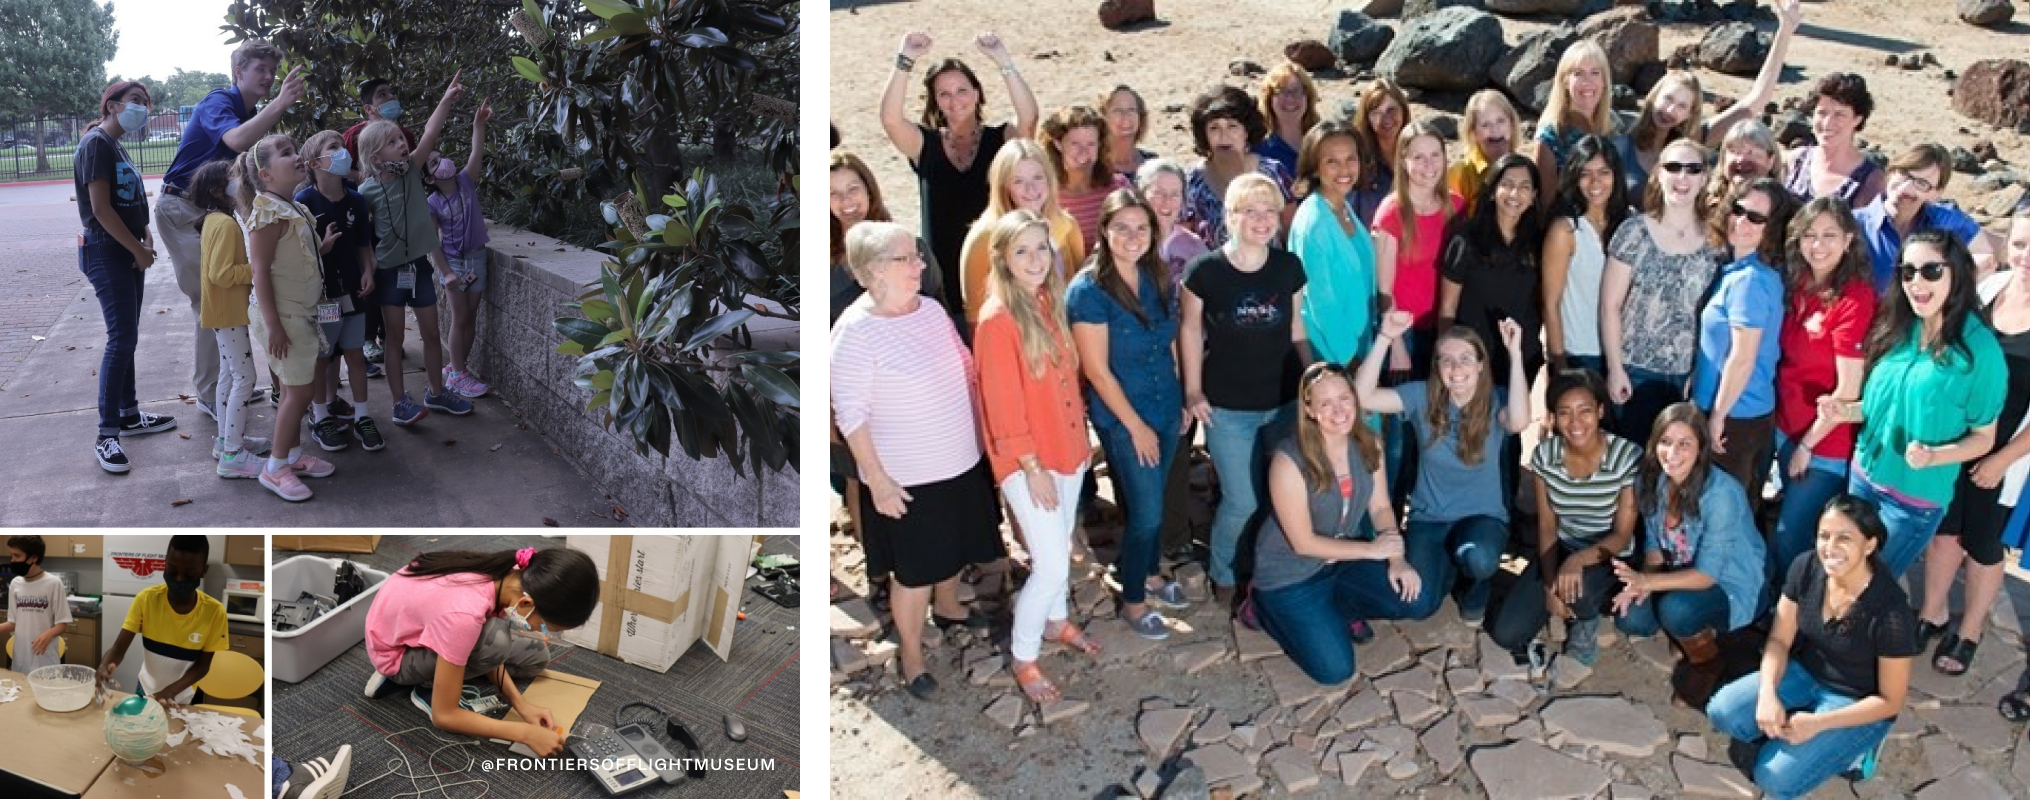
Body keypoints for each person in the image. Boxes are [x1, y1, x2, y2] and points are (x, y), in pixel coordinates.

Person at [832, 222, 1007, 700]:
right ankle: (911, 656)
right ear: (871, 273)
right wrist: (878, 481)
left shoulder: (930, 310)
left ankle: (949, 608)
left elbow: (967, 372)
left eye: (917, 256)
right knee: (913, 573)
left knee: (953, 548)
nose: (919, 265)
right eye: (905, 259)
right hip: (907, 477)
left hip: (960, 460)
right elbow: (852, 417)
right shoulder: (853, 332)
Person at [1707, 495, 1917, 798]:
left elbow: (1891, 701)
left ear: (1869, 545)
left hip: (1856, 700)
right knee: (1722, 711)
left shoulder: (1891, 612)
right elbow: (1779, 639)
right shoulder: (1806, 567)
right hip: (1805, 672)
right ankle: (1800, 734)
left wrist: (1818, 723)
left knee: (1773, 779)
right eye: (1824, 536)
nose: (1830, 548)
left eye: (1845, 538)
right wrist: (1767, 693)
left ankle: (1860, 748)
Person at [975, 211, 1100, 699]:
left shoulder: (1049, 300)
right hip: (1030, 463)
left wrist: (1080, 444)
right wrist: (1032, 470)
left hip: (1066, 450)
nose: (1034, 259)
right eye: (1022, 251)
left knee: (1060, 547)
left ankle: (1057, 621)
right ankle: (1024, 656)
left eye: (1041, 249)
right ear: (1003, 259)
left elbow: (1067, 383)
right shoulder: (997, 319)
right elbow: (1003, 409)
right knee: (1048, 563)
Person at [1833, 231, 2005, 578]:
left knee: (1868, 586)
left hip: (1912, 501)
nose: (1916, 282)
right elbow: (1880, 407)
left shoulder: (1980, 352)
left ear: (1956, 273)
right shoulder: (1897, 326)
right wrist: (1843, 411)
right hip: (1863, 478)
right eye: (1907, 271)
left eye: (1931, 271)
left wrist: (1935, 456)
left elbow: (1984, 438)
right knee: (1841, 575)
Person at [1251, 362, 1424, 685]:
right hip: (1291, 575)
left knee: (1417, 600)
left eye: (1344, 398)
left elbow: (1382, 507)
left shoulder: (1369, 443)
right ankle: (1263, 610)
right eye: (1325, 403)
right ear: (1309, 410)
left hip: (1340, 561)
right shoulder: (1288, 460)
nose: (1339, 410)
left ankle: (1337, 609)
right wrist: (1372, 550)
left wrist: (1397, 560)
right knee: (1335, 670)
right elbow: (1303, 543)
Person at [1181, 173, 1311, 605]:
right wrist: (1193, 391)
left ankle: (1271, 565)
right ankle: (1223, 570)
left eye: (1269, 210)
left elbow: (1294, 327)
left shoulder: (1288, 267)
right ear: (1230, 216)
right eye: (1250, 210)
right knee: (1241, 499)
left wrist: (1312, 378)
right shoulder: (1206, 271)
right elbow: (1190, 329)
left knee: (1282, 493)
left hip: (1283, 402)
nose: (1261, 219)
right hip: (1227, 408)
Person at [1070, 191, 1191, 642]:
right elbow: (1097, 371)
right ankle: (1135, 598)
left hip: (1164, 404)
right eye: (1121, 227)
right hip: (1125, 417)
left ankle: (1150, 572)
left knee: (1154, 503)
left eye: (1141, 227)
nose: (1132, 237)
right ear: (1104, 230)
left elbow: (1171, 342)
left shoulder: (1156, 276)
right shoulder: (1088, 291)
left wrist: (1179, 399)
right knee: (1146, 513)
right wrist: (1137, 427)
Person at [1356, 311, 1529, 626]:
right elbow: (1362, 396)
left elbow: (1518, 421)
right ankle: (1448, 566)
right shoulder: (1421, 396)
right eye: (1446, 360)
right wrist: (1384, 338)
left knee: (1478, 557)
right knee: (1419, 605)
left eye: (1465, 359)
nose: (1456, 368)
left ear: (1480, 365)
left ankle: (1475, 587)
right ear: (1437, 367)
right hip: (1429, 519)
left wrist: (1515, 354)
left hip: (1482, 518)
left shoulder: (1494, 400)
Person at [1914, 214, 2030, 676]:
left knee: (1983, 546)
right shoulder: (1990, 288)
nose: (2026, 257)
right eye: (2020, 244)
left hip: (2003, 457)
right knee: (1944, 534)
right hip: (1954, 443)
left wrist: (2002, 458)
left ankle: (1970, 631)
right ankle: (1932, 613)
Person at [157, 40, 299, 415]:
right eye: (261, 70)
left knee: (228, 297)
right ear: (239, 72)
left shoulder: (254, 115)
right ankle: (209, 394)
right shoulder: (217, 102)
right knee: (210, 299)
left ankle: (227, 384)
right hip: (182, 209)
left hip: (214, 212)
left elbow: (250, 177)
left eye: (273, 70)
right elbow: (236, 141)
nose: (269, 77)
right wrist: (281, 103)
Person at [360, 547, 599, 756]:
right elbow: (444, 717)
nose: (545, 632)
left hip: (429, 627)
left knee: (536, 656)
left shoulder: (510, 574)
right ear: (526, 604)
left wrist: (520, 704)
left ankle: (446, 673)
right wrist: (524, 733)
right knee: (498, 640)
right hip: (397, 654)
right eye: (549, 627)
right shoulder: (463, 615)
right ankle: (428, 688)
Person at [1612, 403, 1772, 708]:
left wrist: (1647, 582)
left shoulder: (1720, 494)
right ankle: (1693, 631)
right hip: (1683, 573)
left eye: (1684, 444)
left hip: (1734, 583)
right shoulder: (1652, 480)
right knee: (1632, 618)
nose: (1672, 453)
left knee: (1677, 610)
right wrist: (1642, 582)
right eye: (1665, 442)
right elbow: (1654, 544)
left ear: (1701, 448)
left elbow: (1707, 575)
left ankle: (1707, 663)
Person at [1487, 369, 1640, 669]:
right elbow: (1547, 525)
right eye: (1565, 413)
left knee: (1578, 589)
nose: (1575, 422)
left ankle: (1586, 621)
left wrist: (1577, 561)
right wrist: (1548, 586)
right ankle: (1565, 597)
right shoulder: (1545, 456)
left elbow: (1622, 534)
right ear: (1553, 417)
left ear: (1600, 411)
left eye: (1585, 411)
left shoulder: (1626, 456)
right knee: (1507, 634)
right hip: (1564, 549)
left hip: (1610, 556)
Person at [881, 31, 1039, 318]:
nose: (955, 100)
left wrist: (1003, 60)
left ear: (977, 94)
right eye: (944, 94)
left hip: (998, 272)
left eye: (962, 90)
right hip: (942, 281)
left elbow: (1028, 118)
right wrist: (905, 60)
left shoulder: (1000, 140)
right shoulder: (923, 144)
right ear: (935, 101)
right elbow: (891, 120)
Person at [357, 71, 475, 424]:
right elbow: (363, 238)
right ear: (375, 157)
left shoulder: (410, 171)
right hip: (391, 273)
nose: (402, 145)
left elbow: (429, 133)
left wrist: (446, 99)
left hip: (420, 267)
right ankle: (399, 402)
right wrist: (368, 263)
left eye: (400, 139)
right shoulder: (366, 193)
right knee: (394, 338)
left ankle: (437, 393)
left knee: (431, 333)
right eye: (393, 142)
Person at [1770, 198, 1877, 576]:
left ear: (1849, 239)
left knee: (1792, 537)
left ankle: (1795, 619)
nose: (1818, 245)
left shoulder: (1856, 299)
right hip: (1784, 426)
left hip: (1822, 444)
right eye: (1810, 235)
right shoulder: (1798, 283)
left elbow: (1848, 390)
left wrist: (1807, 446)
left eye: (1830, 235)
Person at [75, 79, 176, 473]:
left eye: (146, 102)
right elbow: (100, 209)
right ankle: (107, 435)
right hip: (107, 252)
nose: (144, 107)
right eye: (136, 101)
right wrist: (136, 249)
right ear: (113, 106)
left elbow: (132, 199)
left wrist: (146, 235)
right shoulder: (96, 143)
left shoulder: (117, 145)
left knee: (128, 336)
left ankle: (130, 415)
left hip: (129, 249)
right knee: (120, 339)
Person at [235, 133, 340, 500]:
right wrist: (275, 326)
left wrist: (320, 247)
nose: (296, 157)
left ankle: (292, 455)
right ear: (265, 175)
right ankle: (275, 468)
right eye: (285, 153)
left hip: (298, 313)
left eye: (295, 150)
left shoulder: (291, 206)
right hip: (284, 317)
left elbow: (293, 255)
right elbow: (259, 272)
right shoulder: (267, 212)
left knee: (296, 389)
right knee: (299, 391)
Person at [1601, 138, 1723, 445]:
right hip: (1634, 371)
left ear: (1704, 178)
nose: (1682, 177)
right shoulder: (1633, 232)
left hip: (1684, 377)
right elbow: (1610, 306)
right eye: (1673, 167)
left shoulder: (1714, 242)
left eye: (1692, 169)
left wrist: (1698, 375)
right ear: (1658, 173)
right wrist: (1616, 370)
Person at [1615, 0, 1801, 195]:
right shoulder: (1622, 140)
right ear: (1653, 96)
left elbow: (1757, 100)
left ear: (1689, 114)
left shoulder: (1695, 139)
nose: (1670, 111)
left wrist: (1785, 30)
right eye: (1668, 99)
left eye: (1681, 106)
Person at [1692, 178, 1799, 513]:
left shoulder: (1750, 281)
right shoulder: (1737, 271)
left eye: (1756, 218)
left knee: (1723, 515)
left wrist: (1717, 417)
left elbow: (1743, 357)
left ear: (1773, 229)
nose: (1741, 222)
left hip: (1735, 419)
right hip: (1734, 413)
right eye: (1738, 210)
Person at [1135, 158, 1209, 559]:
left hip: (1187, 365)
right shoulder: (1125, 244)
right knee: (1144, 458)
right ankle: (1147, 542)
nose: (1165, 201)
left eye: (1174, 193)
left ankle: (1175, 537)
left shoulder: (1193, 247)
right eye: (1156, 192)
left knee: (1179, 452)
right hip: (1142, 370)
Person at [296, 131, 387, 453]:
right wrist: (321, 248)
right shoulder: (303, 203)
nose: (342, 152)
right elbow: (298, 256)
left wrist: (367, 270)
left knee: (355, 355)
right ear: (314, 163)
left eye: (342, 147)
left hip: (355, 292)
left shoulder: (357, 200)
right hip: (324, 298)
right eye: (333, 148)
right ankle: (320, 416)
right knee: (323, 357)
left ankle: (363, 416)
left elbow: (364, 244)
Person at [192, 160, 274, 476]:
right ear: (217, 191)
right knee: (245, 378)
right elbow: (222, 274)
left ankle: (227, 441)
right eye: (232, 178)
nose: (239, 182)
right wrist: (255, 270)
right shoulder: (224, 224)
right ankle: (232, 455)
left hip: (221, 311)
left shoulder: (216, 221)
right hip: (228, 312)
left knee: (229, 375)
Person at [1439, 153, 1546, 381]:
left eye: (1524, 187)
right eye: (1506, 185)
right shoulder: (1465, 239)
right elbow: (1448, 309)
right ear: (1492, 190)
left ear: (1534, 195)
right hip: (1473, 362)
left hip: (1522, 361)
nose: (1515, 194)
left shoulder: (1539, 241)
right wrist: (1444, 358)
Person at [1373, 121, 1466, 379]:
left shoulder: (1456, 206)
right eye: (1419, 157)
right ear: (1403, 161)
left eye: (1435, 155)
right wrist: (1397, 345)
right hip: (1404, 331)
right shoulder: (1391, 213)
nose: (1429, 165)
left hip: (1444, 325)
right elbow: (1384, 291)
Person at [959, 139, 1086, 326]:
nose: (1031, 189)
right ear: (1004, 186)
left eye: (1038, 177)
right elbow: (975, 315)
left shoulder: (1066, 225)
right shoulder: (984, 237)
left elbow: (1078, 288)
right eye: (1018, 181)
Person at [421, 99, 496, 400]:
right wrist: (447, 272)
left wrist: (478, 125)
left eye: (442, 157)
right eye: (433, 162)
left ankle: (456, 369)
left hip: (477, 256)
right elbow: (432, 241)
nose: (442, 162)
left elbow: (476, 152)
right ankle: (457, 373)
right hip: (453, 262)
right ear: (429, 178)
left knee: (472, 316)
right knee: (459, 317)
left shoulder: (467, 181)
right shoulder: (432, 203)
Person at [1287, 120, 1378, 368]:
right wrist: (1351, 360)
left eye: (1351, 158)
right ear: (1315, 168)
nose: (1344, 169)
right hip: (1335, 356)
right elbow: (1321, 302)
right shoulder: (1313, 223)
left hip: (1360, 344)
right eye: (1332, 161)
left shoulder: (1342, 205)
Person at [96, 536, 227, 706]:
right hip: (145, 687)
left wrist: (171, 691)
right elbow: (119, 648)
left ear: (204, 570)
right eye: (172, 571)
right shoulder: (146, 599)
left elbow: (202, 666)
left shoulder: (215, 612)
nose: (179, 579)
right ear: (165, 563)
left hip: (182, 694)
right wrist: (104, 666)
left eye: (189, 574)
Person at [346, 78, 421, 369]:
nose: (391, 98)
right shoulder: (354, 135)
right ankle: (367, 339)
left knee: (393, 279)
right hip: (367, 217)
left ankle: (387, 336)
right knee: (370, 277)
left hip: (399, 225)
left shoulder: (406, 135)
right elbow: (344, 169)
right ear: (369, 107)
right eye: (382, 95)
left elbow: (412, 168)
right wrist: (372, 179)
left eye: (392, 92)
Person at [1851, 144, 1999, 292]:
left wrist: (1950, 285)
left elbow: (1985, 256)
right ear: (1891, 172)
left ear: (1936, 194)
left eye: (1921, 183)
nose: (1905, 189)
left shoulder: (1943, 220)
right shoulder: (1853, 224)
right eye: (1904, 174)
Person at [1541, 135, 1630, 374]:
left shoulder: (1630, 224)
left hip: (1624, 355)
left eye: (1603, 172)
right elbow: (1551, 304)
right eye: (1585, 173)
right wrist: (1560, 366)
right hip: (1578, 354)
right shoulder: (1566, 229)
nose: (1595, 182)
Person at [1181, 85, 1295, 248]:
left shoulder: (1274, 173)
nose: (1224, 136)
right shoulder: (1190, 181)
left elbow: (1292, 233)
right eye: (1214, 128)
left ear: (1246, 131)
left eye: (1232, 126)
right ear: (1204, 135)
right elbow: (1182, 245)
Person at [1530, 41, 1617, 212]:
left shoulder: (1613, 126)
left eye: (1595, 73)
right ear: (1564, 80)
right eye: (1579, 73)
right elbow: (1547, 205)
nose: (1588, 81)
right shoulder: (1550, 135)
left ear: (1605, 81)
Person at [1784, 73, 1885, 208]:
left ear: (1857, 119)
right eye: (1822, 112)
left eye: (1839, 114)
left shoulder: (1870, 180)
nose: (1827, 123)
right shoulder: (1795, 162)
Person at [1038, 103, 1124, 250]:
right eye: (1075, 144)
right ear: (1058, 144)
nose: (1083, 152)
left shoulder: (1117, 188)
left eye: (1091, 144)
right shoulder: (1043, 194)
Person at [1, 536, 73, 675]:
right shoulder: (15, 584)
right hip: (21, 659)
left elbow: (62, 624)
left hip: (45, 660)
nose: (12, 560)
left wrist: (48, 633)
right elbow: (13, 623)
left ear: (33, 558)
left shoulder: (53, 583)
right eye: (11, 555)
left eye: (17, 555)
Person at [1445, 90, 1523, 211]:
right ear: (1473, 132)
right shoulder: (1459, 174)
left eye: (1501, 121)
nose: (1495, 130)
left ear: (1512, 125)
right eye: (1485, 125)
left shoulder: (1525, 169)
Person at [1350, 79, 1411, 226]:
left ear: (1403, 110)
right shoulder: (1359, 162)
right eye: (1376, 113)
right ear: (1367, 119)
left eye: (1391, 109)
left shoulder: (1419, 154)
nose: (1386, 118)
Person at [1256, 62, 1320, 174]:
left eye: (1297, 91)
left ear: (1308, 96)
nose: (1290, 98)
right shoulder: (1259, 150)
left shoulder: (1323, 140)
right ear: (1269, 99)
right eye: (1281, 91)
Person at [1712, 119, 1787, 199]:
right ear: (1723, 159)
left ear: (1771, 161)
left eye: (1752, 153)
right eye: (1735, 151)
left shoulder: (1790, 209)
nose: (1741, 159)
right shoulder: (1703, 205)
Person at [1100, 85, 1157, 178]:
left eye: (1131, 110)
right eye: (1117, 110)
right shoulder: (1094, 167)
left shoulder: (1153, 164)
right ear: (1103, 117)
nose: (1125, 116)